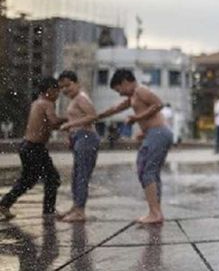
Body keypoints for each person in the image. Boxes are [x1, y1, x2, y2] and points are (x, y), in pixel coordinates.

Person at [96, 69, 173, 224]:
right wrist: (95, 117)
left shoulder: (140, 90)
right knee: (149, 171)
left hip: (158, 133)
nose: (119, 93)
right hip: (156, 133)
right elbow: (114, 109)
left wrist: (136, 118)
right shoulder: (133, 96)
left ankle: (155, 213)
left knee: (146, 170)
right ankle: (156, 212)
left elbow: (158, 104)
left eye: (119, 89)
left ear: (125, 81)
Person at [0, 77, 65, 220]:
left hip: (26, 146)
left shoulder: (37, 102)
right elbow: (54, 122)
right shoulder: (47, 103)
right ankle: (49, 211)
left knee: (28, 179)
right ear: (49, 91)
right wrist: (69, 118)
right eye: (57, 92)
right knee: (52, 178)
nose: (58, 95)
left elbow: (48, 125)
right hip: (35, 148)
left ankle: (5, 203)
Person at [56, 70, 101, 222]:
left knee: (81, 176)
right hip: (79, 138)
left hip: (87, 138)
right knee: (76, 176)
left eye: (68, 85)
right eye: (62, 87)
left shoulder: (81, 97)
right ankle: (76, 207)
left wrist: (70, 124)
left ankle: (80, 211)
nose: (65, 90)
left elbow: (93, 116)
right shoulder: (75, 99)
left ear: (76, 83)